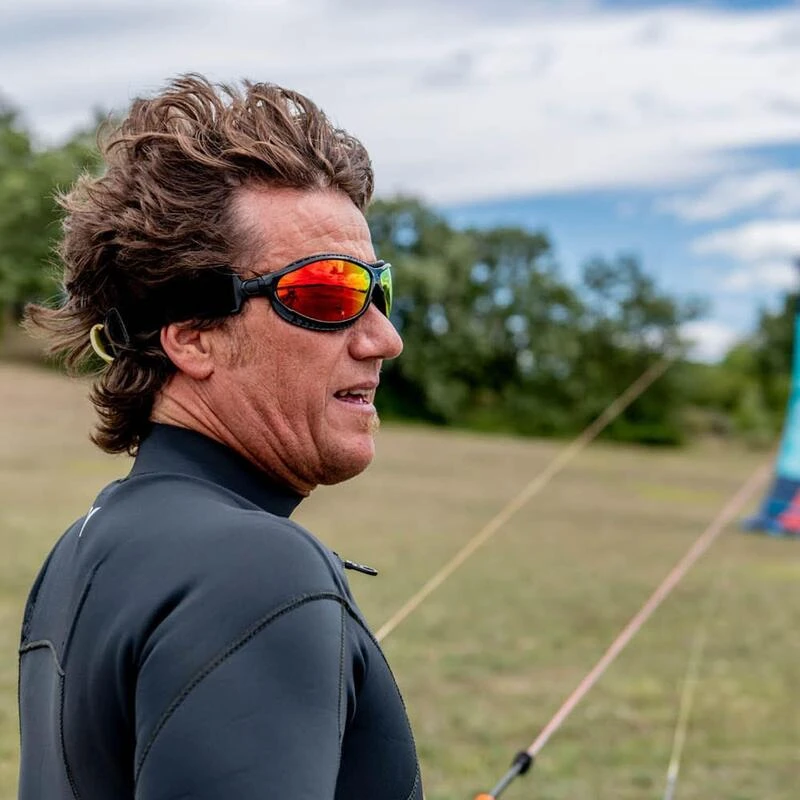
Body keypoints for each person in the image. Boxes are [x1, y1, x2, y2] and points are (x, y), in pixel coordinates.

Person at [18, 74, 422, 800]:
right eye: (328, 292)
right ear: (192, 336)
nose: (384, 339)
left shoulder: (84, 546)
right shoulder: (257, 567)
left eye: (378, 290)